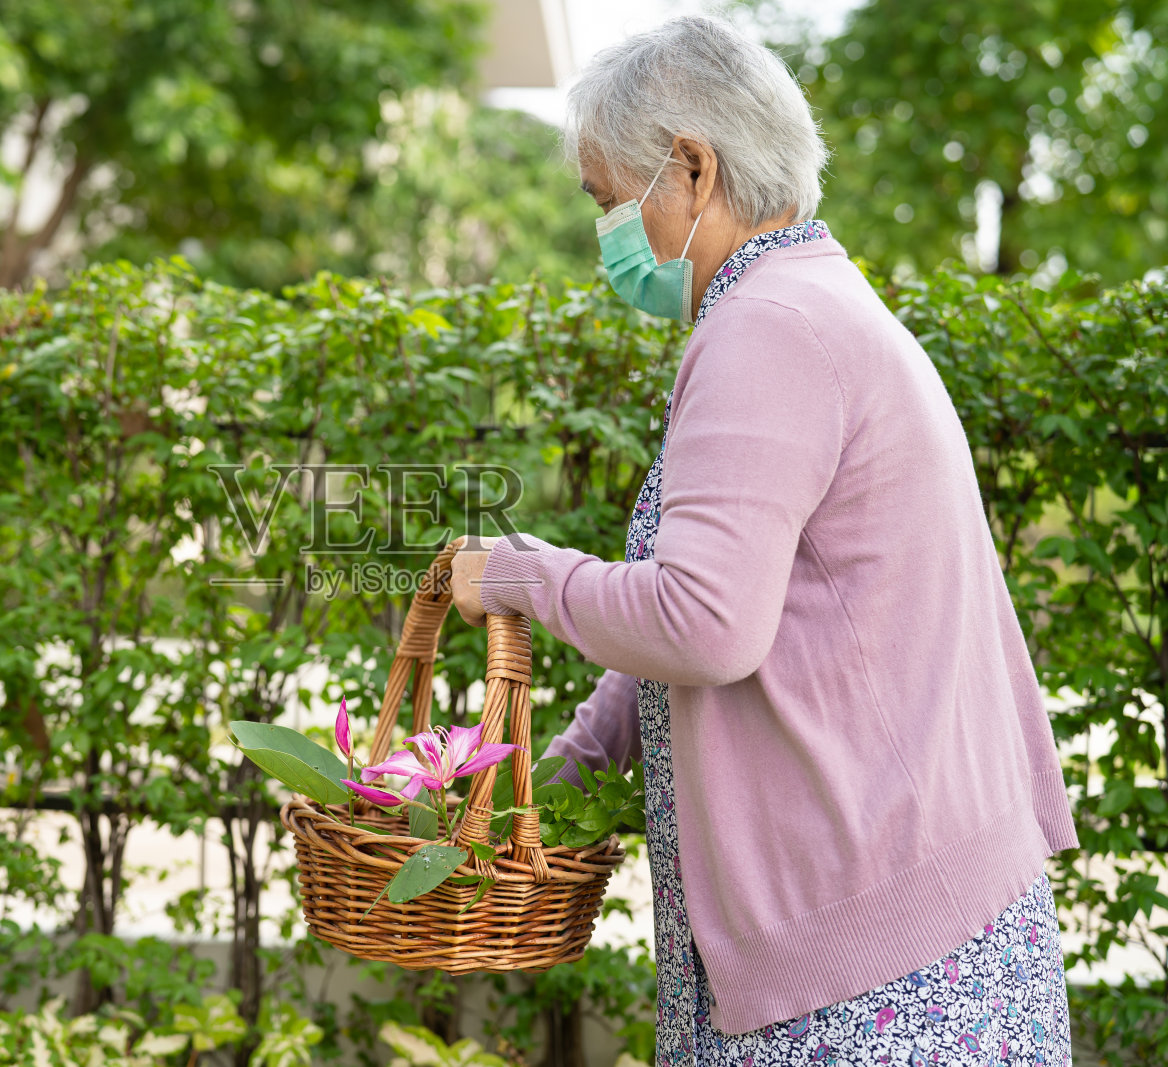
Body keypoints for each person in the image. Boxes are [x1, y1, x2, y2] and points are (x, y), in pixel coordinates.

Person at [447, 14, 1078, 1066]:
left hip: (873, 976)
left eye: (609, 201)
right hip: (918, 925)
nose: (605, 232)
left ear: (690, 168)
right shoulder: (810, 300)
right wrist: (573, 760)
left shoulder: (767, 329)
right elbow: (734, 592)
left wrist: (517, 572)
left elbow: (703, 623)